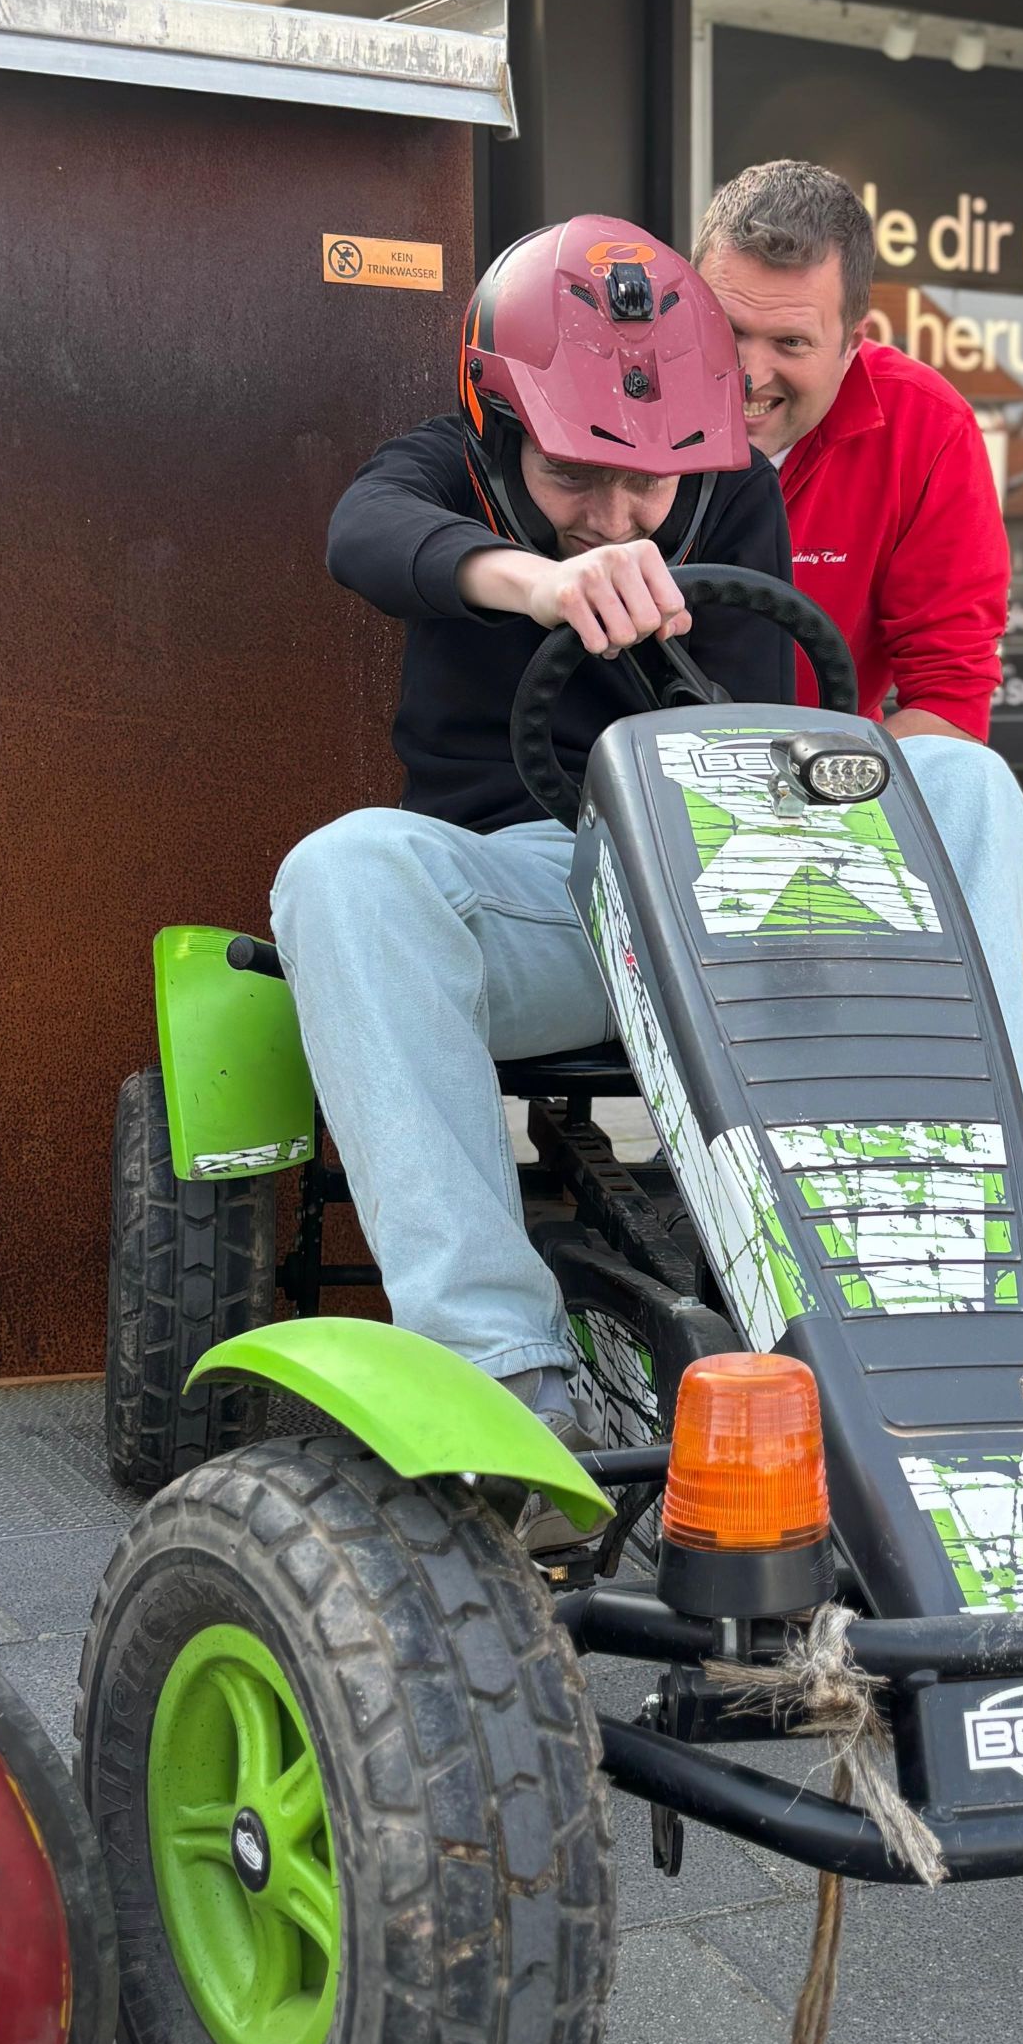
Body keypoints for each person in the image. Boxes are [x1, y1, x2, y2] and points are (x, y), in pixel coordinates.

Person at [271, 218, 792, 1449]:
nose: (616, 517)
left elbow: (746, 737)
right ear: (495, 431)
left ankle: (962, 1258)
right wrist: (536, 580)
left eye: (647, 485)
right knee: (339, 870)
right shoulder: (436, 471)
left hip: (706, 885)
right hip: (530, 892)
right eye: (574, 476)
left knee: (968, 785)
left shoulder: (737, 492)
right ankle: (500, 1375)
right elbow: (363, 532)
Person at [696, 160, 1023, 1308]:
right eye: (730, 332)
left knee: (968, 783)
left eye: (789, 344)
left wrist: (826, 848)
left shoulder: (923, 425)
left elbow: (942, 685)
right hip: (637, 798)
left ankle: (992, 1182)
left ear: (855, 332)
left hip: (823, 796)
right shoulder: (627, 407)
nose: (751, 372)